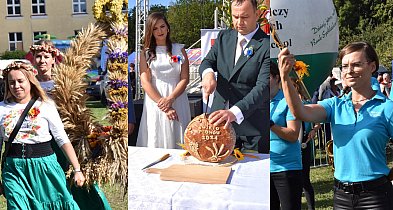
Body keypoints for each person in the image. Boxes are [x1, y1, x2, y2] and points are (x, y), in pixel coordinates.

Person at [279, 42, 393, 209]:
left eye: (356, 64)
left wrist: (388, 177)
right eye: (345, 66)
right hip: (342, 197)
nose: (349, 70)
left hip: (376, 197)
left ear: (372, 66)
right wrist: (285, 77)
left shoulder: (386, 107)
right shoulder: (335, 105)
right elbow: (300, 112)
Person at [0, 61, 85, 209]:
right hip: (14, 168)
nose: (16, 86)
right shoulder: (2, 108)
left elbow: (61, 138)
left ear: (30, 81)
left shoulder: (46, 105)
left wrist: (77, 169)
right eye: (11, 82)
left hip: (45, 167)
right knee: (17, 206)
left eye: (20, 81)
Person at [199, 0, 269, 153]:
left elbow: (263, 87)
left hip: (251, 128)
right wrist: (208, 74)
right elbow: (207, 61)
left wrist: (234, 112)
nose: (239, 22)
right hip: (218, 126)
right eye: (235, 17)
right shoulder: (224, 37)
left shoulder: (266, 45)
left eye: (244, 17)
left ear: (257, 14)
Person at [136, 12, 191, 149]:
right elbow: (145, 81)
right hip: (155, 100)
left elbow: (184, 77)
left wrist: (171, 98)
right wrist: (163, 104)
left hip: (177, 97)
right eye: (155, 28)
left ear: (168, 27)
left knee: (178, 136)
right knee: (157, 137)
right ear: (150, 31)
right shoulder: (146, 52)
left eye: (162, 26)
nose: (159, 31)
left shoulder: (180, 49)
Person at [269, 61, 302, 210]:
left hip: (286, 169)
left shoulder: (288, 101)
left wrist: (271, 125)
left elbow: (293, 135)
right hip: (263, 168)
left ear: (277, 78)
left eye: (266, 77)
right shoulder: (257, 102)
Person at [291, 78, 319, 210]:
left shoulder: (306, 104)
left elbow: (318, 121)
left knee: (305, 180)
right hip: (290, 147)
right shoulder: (284, 106)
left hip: (304, 145)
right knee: (292, 181)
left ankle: (310, 207)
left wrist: (313, 130)